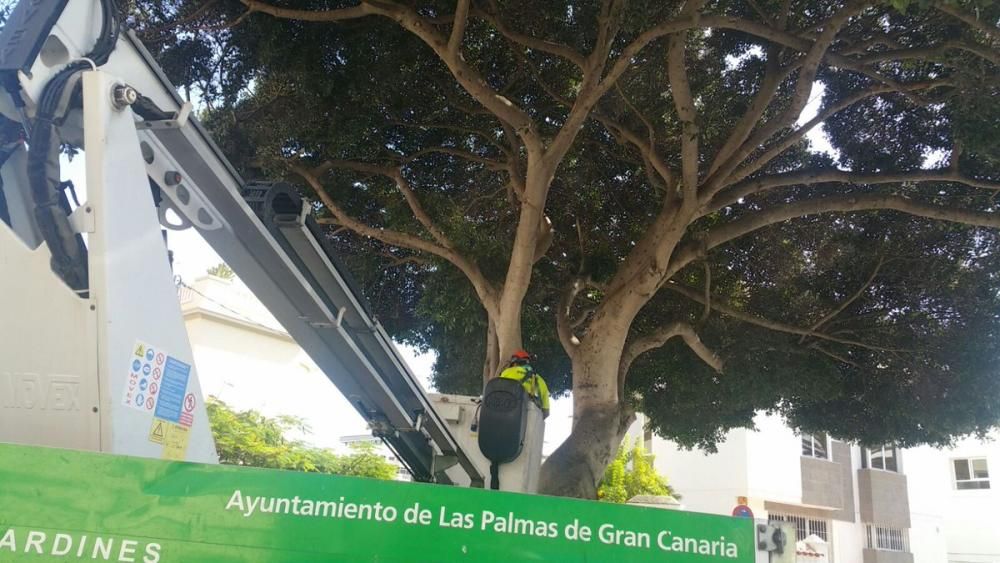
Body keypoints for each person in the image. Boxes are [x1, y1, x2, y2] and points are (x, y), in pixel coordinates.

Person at [498, 350, 550, 419]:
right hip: (530, 423)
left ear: (515, 363)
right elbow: (546, 412)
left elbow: (496, 392)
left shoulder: (507, 372)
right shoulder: (540, 380)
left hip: (505, 416)